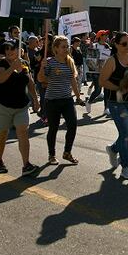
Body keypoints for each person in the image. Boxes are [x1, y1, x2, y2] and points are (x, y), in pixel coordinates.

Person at [0, 41, 40, 176]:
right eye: (6, 49)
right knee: (3, 133)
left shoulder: (25, 64)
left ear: (20, 50)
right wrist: (13, 66)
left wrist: (36, 100)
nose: (9, 51)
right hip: (4, 106)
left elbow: (30, 82)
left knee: (23, 132)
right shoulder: (0, 63)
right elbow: (0, 79)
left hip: (22, 106)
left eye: (12, 49)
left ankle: (26, 165)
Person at [100, 31, 128, 179]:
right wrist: (120, 88)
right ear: (116, 45)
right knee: (124, 135)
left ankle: (113, 149)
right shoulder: (112, 60)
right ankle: (126, 167)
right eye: (124, 43)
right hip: (116, 102)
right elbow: (102, 81)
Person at [38, 36, 83, 167]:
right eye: (63, 47)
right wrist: (42, 67)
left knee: (73, 125)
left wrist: (78, 96)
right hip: (52, 100)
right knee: (53, 128)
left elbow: (72, 80)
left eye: (67, 46)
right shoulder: (49, 62)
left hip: (67, 99)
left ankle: (67, 152)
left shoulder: (70, 61)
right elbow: (41, 80)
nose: (66, 49)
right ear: (56, 48)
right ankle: (51, 155)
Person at [85, 30, 111, 115]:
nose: (106, 36)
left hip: (106, 71)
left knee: (107, 90)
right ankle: (89, 101)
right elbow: (89, 59)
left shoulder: (107, 46)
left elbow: (109, 58)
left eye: (107, 35)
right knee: (98, 91)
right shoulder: (94, 46)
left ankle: (106, 108)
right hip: (96, 72)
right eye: (105, 35)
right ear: (100, 36)